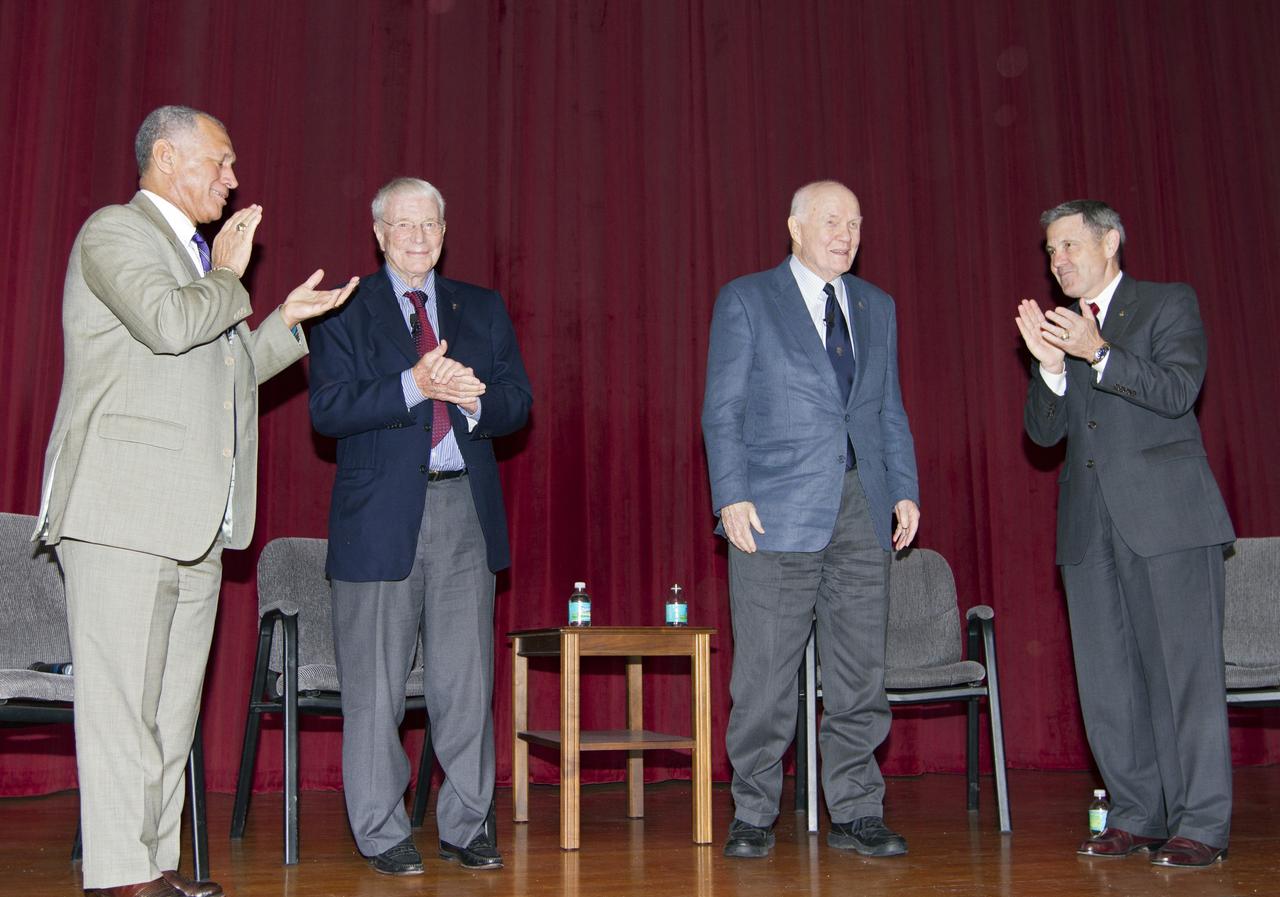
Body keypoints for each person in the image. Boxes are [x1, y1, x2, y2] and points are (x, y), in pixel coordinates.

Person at [34, 105, 357, 897]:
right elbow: (171, 323)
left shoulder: (196, 261)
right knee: (120, 706)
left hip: (195, 521)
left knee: (171, 712)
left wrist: (282, 323)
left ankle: (152, 863)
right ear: (168, 158)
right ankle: (117, 875)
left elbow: (222, 373)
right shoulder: (115, 232)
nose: (233, 178)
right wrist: (231, 279)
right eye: (220, 162)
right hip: (120, 512)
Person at [308, 177, 531, 876]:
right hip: (378, 519)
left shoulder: (483, 308)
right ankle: (381, 829)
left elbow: (517, 404)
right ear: (378, 234)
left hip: (464, 506)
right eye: (403, 225)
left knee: (464, 679)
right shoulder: (346, 309)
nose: (417, 236)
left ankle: (469, 824)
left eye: (429, 224)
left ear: (444, 230)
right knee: (374, 684)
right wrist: (416, 384)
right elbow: (329, 409)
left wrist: (472, 402)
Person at [701, 180, 921, 859]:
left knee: (860, 672)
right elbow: (722, 408)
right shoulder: (747, 298)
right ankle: (754, 810)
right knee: (765, 675)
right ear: (794, 225)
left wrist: (903, 489)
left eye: (855, 222)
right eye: (832, 220)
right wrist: (729, 494)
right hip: (772, 510)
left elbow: (887, 408)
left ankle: (857, 806)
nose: (846, 233)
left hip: (863, 504)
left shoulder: (876, 306)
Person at [1016, 199, 1235, 868]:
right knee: (1107, 681)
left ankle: (1200, 821)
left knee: (1182, 676)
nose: (1058, 262)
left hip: (1168, 522)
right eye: (1051, 252)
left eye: (1069, 246)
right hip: (1089, 530)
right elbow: (1044, 434)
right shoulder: (1063, 330)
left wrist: (1100, 354)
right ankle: (1137, 814)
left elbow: (1177, 388)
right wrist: (1051, 368)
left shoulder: (1168, 304)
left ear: (1110, 241)